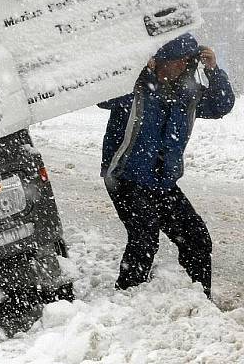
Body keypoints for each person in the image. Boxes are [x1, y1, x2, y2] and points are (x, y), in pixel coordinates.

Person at [98, 33, 235, 298]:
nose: (181, 67)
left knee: (197, 238)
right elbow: (102, 96)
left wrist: (214, 71)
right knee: (144, 237)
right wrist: (141, 71)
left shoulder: (187, 94)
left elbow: (221, 105)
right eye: (175, 61)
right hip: (126, 179)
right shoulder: (134, 89)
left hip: (162, 182)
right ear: (158, 60)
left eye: (186, 61)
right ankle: (127, 298)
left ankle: (200, 298)